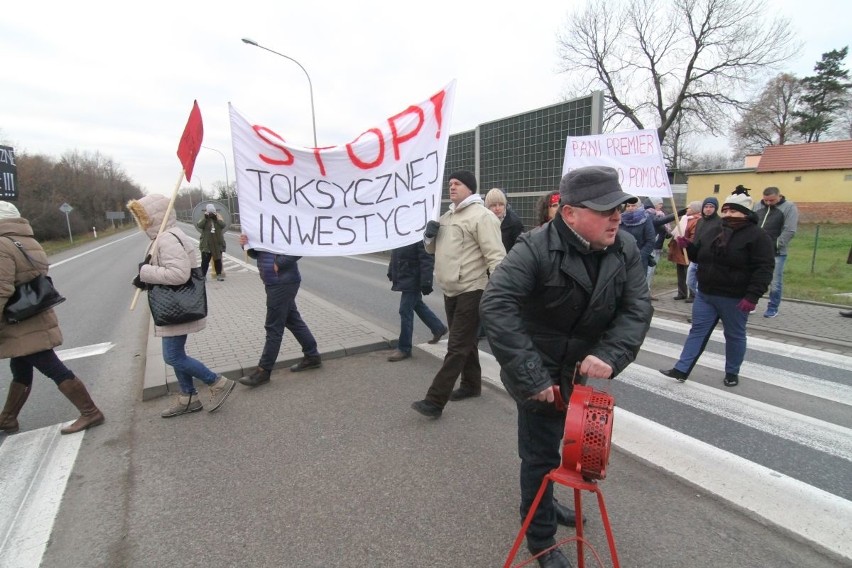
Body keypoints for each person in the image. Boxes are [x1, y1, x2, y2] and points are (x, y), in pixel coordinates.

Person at [481, 166, 652, 568]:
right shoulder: (534, 247)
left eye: (620, 207)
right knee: (540, 455)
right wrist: (531, 377)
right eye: (606, 209)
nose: (617, 216)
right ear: (570, 213)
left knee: (569, 449)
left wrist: (611, 354)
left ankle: (548, 502)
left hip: (580, 372)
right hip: (537, 372)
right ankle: (540, 538)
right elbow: (496, 305)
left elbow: (637, 307)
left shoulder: (624, 247)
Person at [0, 201, 105, 435]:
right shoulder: (27, 240)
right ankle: (7, 418)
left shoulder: (1, 245)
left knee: (52, 368)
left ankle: (90, 412)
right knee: (21, 367)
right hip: (32, 314)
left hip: (19, 321)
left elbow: (1, 289)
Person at [128, 195, 236, 417]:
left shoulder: (167, 239)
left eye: (143, 217)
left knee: (173, 356)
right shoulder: (164, 236)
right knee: (177, 353)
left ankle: (217, 382)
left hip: (176, 306)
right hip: (173, 306)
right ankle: (188, 397)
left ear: (153, 217)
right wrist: (146, 277)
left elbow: (178, 274)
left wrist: (146, 272)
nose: (141, 222)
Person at [410, 170, 505, 418]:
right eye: (450, 183)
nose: (452, 187)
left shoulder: (482, 217)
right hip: (451, 288)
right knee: (466, 342)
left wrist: (500, 292)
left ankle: (434, 400)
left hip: (473, 288)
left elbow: (496, 256)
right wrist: (429, 236)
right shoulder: (447, 216)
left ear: (470, 188)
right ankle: (471, 385)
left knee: (457, 345)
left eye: (457, 184)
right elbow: (432, 250)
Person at [660, 186, 774, 387]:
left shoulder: (758, 236)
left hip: (735, 298)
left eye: (734, 211)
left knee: (734, 335)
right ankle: (681, 369)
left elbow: (763, 269)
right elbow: (700, 256)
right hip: (706, 294)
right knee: (697, 331)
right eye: (726, 210)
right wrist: (688, 246)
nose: (728, 214)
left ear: (746, 213)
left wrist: (752, 296)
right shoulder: (715, 230)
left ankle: (732, 372)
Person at [237, 233, 322, 387]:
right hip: (273, 281)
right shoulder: (262, 225)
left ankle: (263, 371)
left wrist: (279, 263)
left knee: (273, 327)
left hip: (282, 282)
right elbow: (258, 254)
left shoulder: (282, 221)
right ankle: (312, 356)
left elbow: (299, 246)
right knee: (292, 320)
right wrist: (247, 245)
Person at [386, 241, 447, 362]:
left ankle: (404, 348)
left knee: (405, 311)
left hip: (414, 279)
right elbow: (395, 254)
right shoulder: (401, 234)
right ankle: (438, 328)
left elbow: (426, 259)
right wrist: (391, 270)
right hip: (406, 276)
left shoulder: (417, 234)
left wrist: (426, 282)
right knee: (417, 305)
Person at [753, 186, 798, 318]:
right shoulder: (757, 206)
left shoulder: (789, 207)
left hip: (776, 252)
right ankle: (751, 303)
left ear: (779, 196)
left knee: (775, 281)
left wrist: (776, 245)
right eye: (765, 200)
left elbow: (790, 229)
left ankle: (773, 307)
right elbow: (751, 224)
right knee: (752, 278)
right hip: (756, 250)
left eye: (771, 200)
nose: (768, 203)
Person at [685, 197, 721, 303]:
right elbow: (697, 239)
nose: (708, 209)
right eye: (706, 206)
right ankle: (702, 301)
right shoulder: (700, 221)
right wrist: (688, 244)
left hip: (708, 260)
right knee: (690, 282)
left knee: (700, 286)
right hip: (696, 257)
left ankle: (701, 308)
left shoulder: (720, 222)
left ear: (716, 208)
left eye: (711, 207)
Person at [667, 201, 702, 300]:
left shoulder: (697, 220)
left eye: (689, 208)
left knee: (690, 273)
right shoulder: (684, 219)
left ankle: (692, 294)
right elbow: (677, 231)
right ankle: (681, 292)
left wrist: (687, 243)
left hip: (688, 249)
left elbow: (694, 236)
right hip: (679, 249)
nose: (687, 210)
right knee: (681, 272)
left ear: (695, 209)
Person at [485, 187, 525, 253]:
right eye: (493, 205)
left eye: (501, 204)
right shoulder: (482, 221)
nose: (497, 208)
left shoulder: (514, 223)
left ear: (505, 205)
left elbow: (520, 250)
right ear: (487, 207)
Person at [619, 198, 655, 270]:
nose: (630, 208)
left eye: (633, 206)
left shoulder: (646, 219)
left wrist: (640, 256)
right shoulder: (621, 219)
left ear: (638, 206)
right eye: (628, 206)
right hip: (622, 260)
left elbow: (650, 240)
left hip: (640, 260)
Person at [197, 203, 226, 281]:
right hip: (206, 244)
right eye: (209, 212)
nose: (210, 214)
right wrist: (205, 218)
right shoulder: (204, 218)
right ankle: (203, 276)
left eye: (212, 212)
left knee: (217, 260)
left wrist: (216, 218)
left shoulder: (218, 217)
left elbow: (223, 225)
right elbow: (199, 225)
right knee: (205, 261)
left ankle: (219, 275)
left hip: (217, 244)